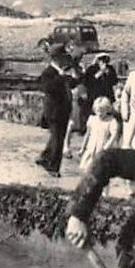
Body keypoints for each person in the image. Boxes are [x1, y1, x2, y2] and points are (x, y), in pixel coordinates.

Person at [36, 44, 77, 177]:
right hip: (54, 111)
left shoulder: (62, 72)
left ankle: (45, 157)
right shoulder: (48, 73)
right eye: (63, 58)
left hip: (63, 110)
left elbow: (73, 83)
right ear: (56, 59)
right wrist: (61, 76)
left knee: (57, 136)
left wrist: (74, 74)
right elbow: (48, 88)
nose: (65, 60)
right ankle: (53, 167)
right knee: (58, 139)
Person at [78, 94, 123, 177]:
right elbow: (87, 134)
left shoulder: (111, 121)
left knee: (102, 173)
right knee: (87, 171)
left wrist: (106, 147)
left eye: (102, 110)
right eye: (98, 110)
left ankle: (104, 190)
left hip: (102, 149)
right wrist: (82, 148)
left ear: (107, 109)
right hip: (91, 149)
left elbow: (114, 135)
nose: (100, 113)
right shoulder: (92, 119)